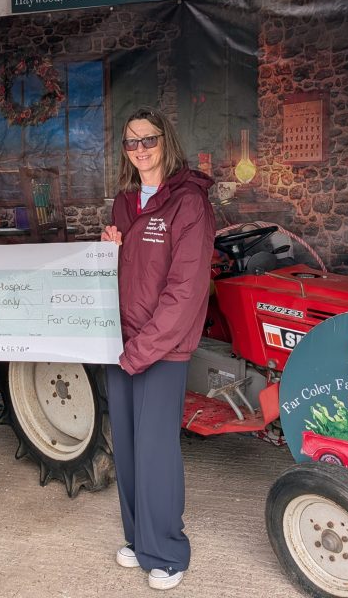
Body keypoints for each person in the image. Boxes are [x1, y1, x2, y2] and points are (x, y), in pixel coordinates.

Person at [101, 106, 216, 591]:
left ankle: (167, 551)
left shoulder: (189, 204)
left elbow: (184, 291)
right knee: (126, 447)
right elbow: (121, 274)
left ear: (166, 142)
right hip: (120, 344)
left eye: (148, 139)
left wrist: (141, 349)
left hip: (160, 350)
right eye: (131, 142)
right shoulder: (125, 204)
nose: (141, 149)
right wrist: (107, 248)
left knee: (156, 451)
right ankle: (139, 538)